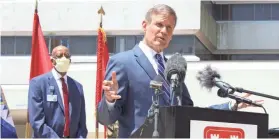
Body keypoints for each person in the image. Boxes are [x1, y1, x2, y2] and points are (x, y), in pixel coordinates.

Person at [97, 4, 262, 138]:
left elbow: (189, 113)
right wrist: (110, 100)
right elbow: (105, 119)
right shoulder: (123, 62)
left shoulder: (174, 69)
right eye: (159, 25)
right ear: (145, 25)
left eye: (169, 28)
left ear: (172, 35)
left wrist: (230, 105)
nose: (163, 31)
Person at [28, 45, 87, 138]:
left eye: (67, 56)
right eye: (60, 56)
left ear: (70, 61)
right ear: (52, 61)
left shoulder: (77, 87)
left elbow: (82, 124)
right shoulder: (38, 84)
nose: (64, 58)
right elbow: (37, 122)